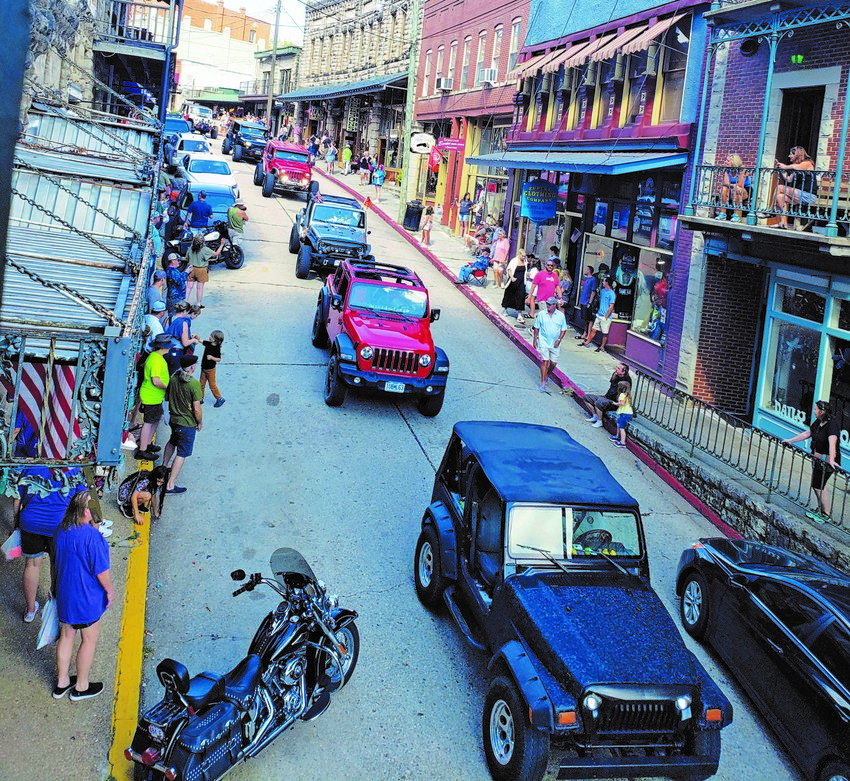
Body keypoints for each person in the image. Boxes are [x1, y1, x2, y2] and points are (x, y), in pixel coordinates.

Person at [51, 490, 114, 701]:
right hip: (86, 598)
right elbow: (101, 571)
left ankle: (61, 683)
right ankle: (81, 686)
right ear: (86, 511)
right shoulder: (92, 537)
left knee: (67, 636)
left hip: (65, 594)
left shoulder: (60, 530)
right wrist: (109, 590)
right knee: (89, 639)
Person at [14, 466, 86, 623]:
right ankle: (55, 610)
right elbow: (85, 501)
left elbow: (17, 498)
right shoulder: (75, 469)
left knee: (32, 565)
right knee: (58, 567)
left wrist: (16, 523)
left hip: (31, 522)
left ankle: (30, 610)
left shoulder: (31, 467)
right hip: (60, 526)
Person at [784, 400, 842, 522]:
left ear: (822, 411)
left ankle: (826, 513)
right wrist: (791, 440)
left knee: (818, 485)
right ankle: (821, 510)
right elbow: (807, 433)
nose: (814, 411)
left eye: (816, 409)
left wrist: (831, 459)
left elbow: (833, 442)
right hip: (817, 458)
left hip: (827, 459)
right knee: (818, 484)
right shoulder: (818, 422)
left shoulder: (832, 425)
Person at [162, 355, 204, 495]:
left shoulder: (173, 378)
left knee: (172, 442)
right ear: (192, 367)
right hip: (187, 423)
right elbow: (197, 409)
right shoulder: (194, 384)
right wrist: (200, 422)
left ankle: (163, 469)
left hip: (174, 420)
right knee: (182, 453)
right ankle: (170, 484)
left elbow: (167, 397)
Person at [136, 333, 172, 460]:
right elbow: (155, 381)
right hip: (152, 396)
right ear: (163, 347)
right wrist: (168, 387)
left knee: (154, 421)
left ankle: (147, 443)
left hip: (154, 395)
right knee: (149, 423)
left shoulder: (154, 356)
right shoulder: (157, 360)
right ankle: (142, 449)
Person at [774, 146, 817, 229]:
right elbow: (789, 179)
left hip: (809, 195)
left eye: (791, 154)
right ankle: (783, 223)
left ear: (797, 155)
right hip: (798, 195)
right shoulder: (795, 166)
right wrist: (782, 170)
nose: (789, 156)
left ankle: (771, 211)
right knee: (780, 197)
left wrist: (785, 166)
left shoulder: (808, 163)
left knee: (779, 188)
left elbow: (796, 167)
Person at [532, 296, 567, 392]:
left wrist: (559, 339)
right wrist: (535, 340)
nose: (547, 306)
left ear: (554, 305)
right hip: (543, 341)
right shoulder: (541, 314)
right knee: (545, 361)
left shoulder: (560, 316)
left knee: (553, 363)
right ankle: (543, 382)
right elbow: (536, 328)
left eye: (549, 304)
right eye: (547, 304)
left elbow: (563, 329)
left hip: (555, 343)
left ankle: (547, 374)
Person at [584, 363, 632, 428]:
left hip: (614, 402)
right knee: (586, 397)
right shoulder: (615, 375)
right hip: (606, 397)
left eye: (618, 368)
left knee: (599, 403)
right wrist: (614, 376)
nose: (615, 369)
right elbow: (612, 383)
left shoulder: (626, 381)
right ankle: (595, 415)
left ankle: (600, 421)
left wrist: (614, 402)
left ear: (623, 372)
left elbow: (623, 396)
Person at [186, 232, 224, 308]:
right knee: (199, 288)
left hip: (191, 269)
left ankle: (184, 302)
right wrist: (222, 244)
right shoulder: (205, 249)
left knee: (188, 287)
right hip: (202, 270)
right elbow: (216, 254)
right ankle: (198, 304)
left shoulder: (190, 249)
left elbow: (187, 258)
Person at [581, 276, 615, 352]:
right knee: (594, 329)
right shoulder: (602, 291)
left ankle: (602, 346)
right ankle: (587, 342)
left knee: (605, 332)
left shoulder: (612, 294)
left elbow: (611, 306)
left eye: (604, 281)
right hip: (599, 314)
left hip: (606, 316)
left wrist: (606, 316)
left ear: (607, 283)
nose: (602, 282)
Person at [717, 153, 750, 222]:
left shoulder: (742, 169)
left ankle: (737, 215)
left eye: (728, 161)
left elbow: (740, 184)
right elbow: (726, 183)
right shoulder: (726, 169)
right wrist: (733, 186)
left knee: (737, 190)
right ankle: (722, 214)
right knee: (723, 189)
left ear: (734, 162)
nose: (725, 162)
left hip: (745, 189)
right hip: (731, 187)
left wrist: (734, 186)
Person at [201, 330, 226, 408]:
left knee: (212, 385)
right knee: (201, 384)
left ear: (216, 340)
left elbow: (218, 359)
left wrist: (212, 358)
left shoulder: (216, 348)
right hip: (204, 368)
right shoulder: (208, 343)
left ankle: (219, 398)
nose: (209, 337)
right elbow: (201, 341)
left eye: (211, 337)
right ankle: (200, 398)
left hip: (210, 370)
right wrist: (196, 337)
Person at [501, 249, 527, 316]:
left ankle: (519, 313)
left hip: (521, 281)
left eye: (525, 256)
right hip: (514, 280)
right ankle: (504, 308)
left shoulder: (525, 261)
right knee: (509, 294)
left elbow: (525, 270)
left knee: (521, 296)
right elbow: (509, 269)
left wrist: (527, 274)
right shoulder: (514, 260)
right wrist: (512, 277)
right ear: (519, 254)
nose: (524, 257)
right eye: (523, 256)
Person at [577, 265, 598, 341]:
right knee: (584, 318)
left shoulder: (593, 279)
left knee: (589, 319)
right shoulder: (584, 279)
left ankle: (589, 334)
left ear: (589, 271)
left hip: (587, 301)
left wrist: (590, 302)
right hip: (582, 300)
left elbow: (593, 291)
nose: (585, 270)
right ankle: (585, 332)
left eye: (586, 269)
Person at [610, 381, 633, 449]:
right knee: (618, 424)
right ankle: (617, 436)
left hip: (625, 414)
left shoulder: (622, 395)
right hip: (627, 413)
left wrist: (614, 403)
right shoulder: (628, 395)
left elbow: (622, 404)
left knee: (622, 427)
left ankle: (622, 443)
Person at [165, 252, 188, 319]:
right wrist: (186, 272)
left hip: (177, 297)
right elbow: (180, 281)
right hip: (175, 298)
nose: (179, 262)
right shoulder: (172, 271)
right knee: (175, 316)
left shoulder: (173, 270)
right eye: (178, 260)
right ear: (172, 261)